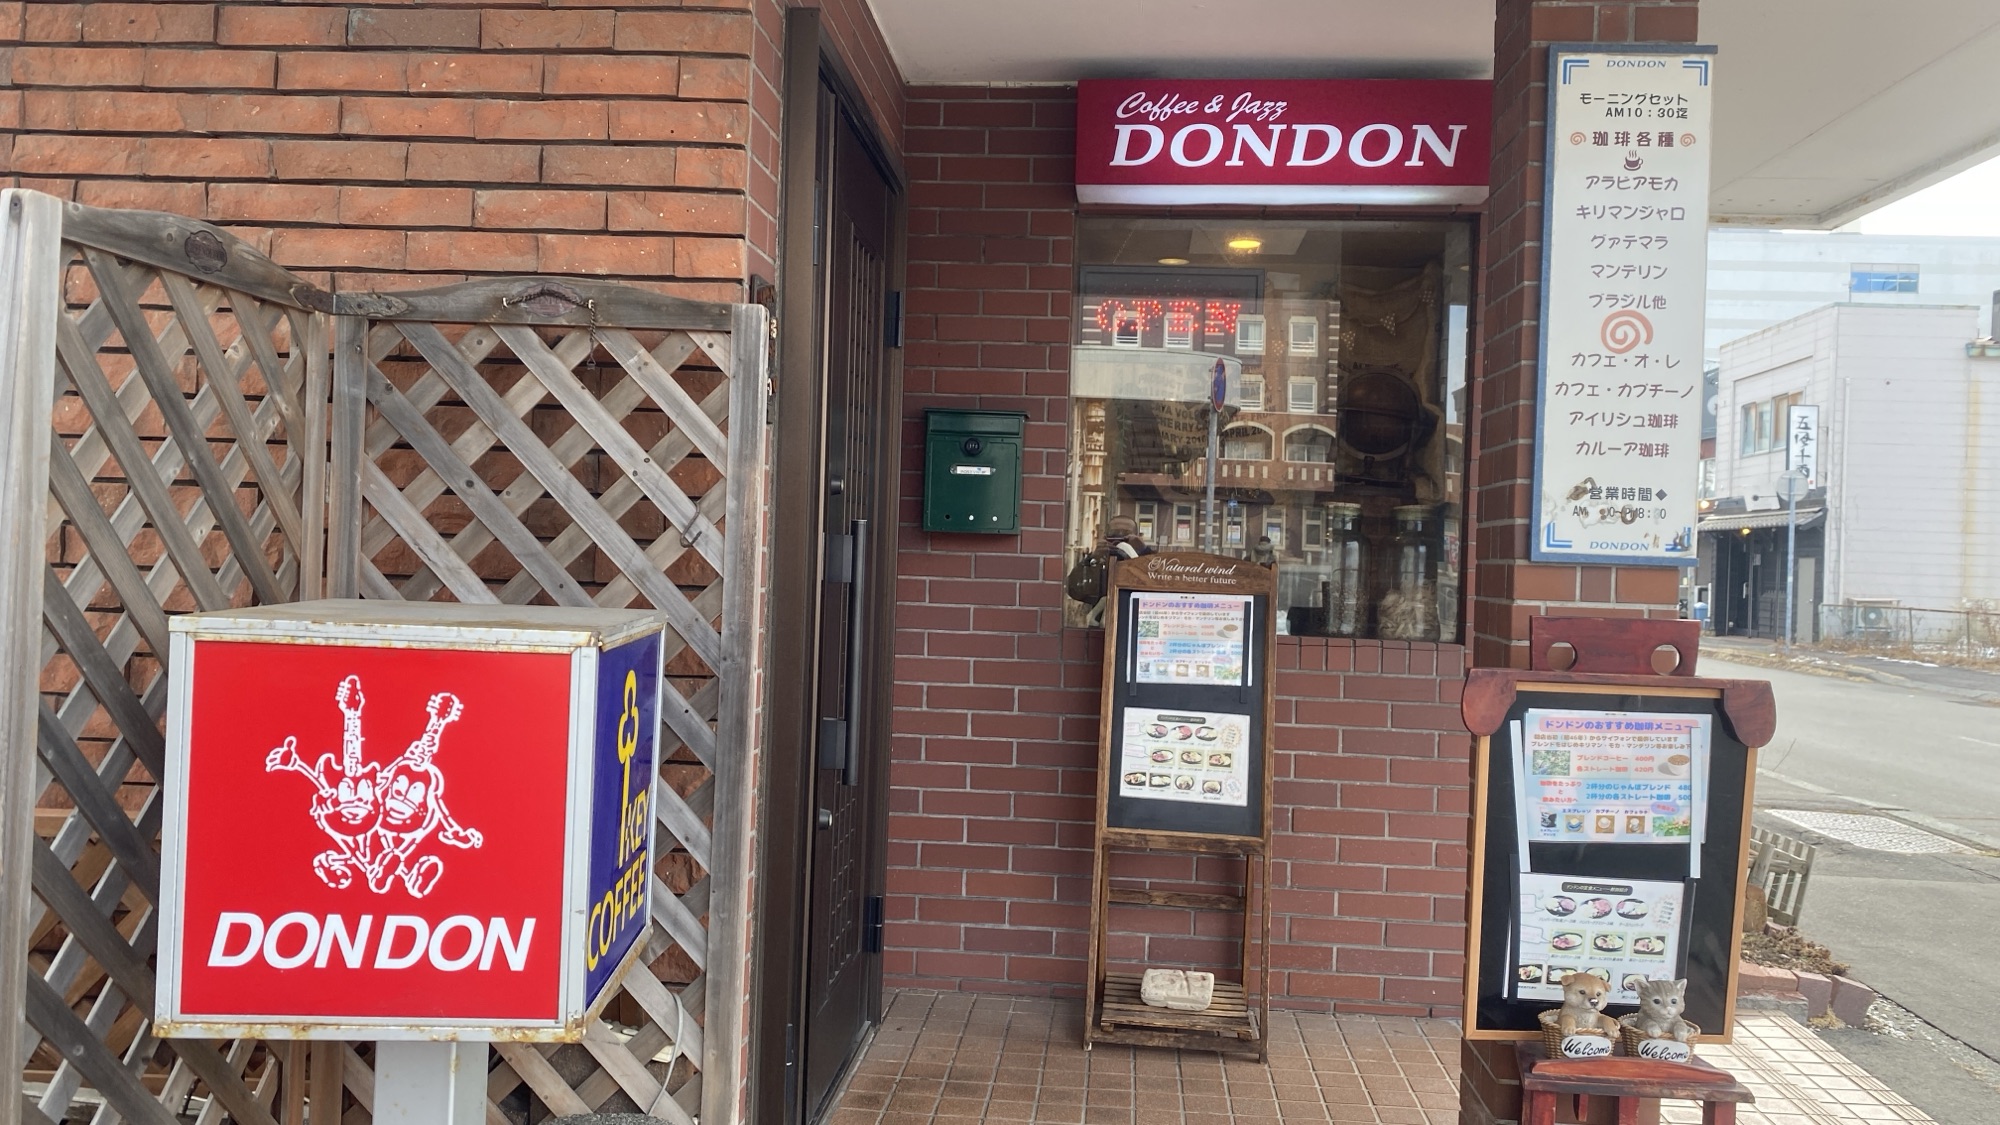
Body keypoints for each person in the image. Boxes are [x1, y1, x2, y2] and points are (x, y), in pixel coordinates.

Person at [1078, 516, 1153, 626]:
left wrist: (1144, 550)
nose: (1119, 538)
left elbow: (1159, 578)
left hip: (1135, 618)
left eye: (1126, 534)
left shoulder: (1144, 559)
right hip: (1100, 627)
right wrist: (1092, 558)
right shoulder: (1098, 557)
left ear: (1137, 537)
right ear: (1105, 536)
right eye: (1114, 534)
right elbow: (1075, 589)